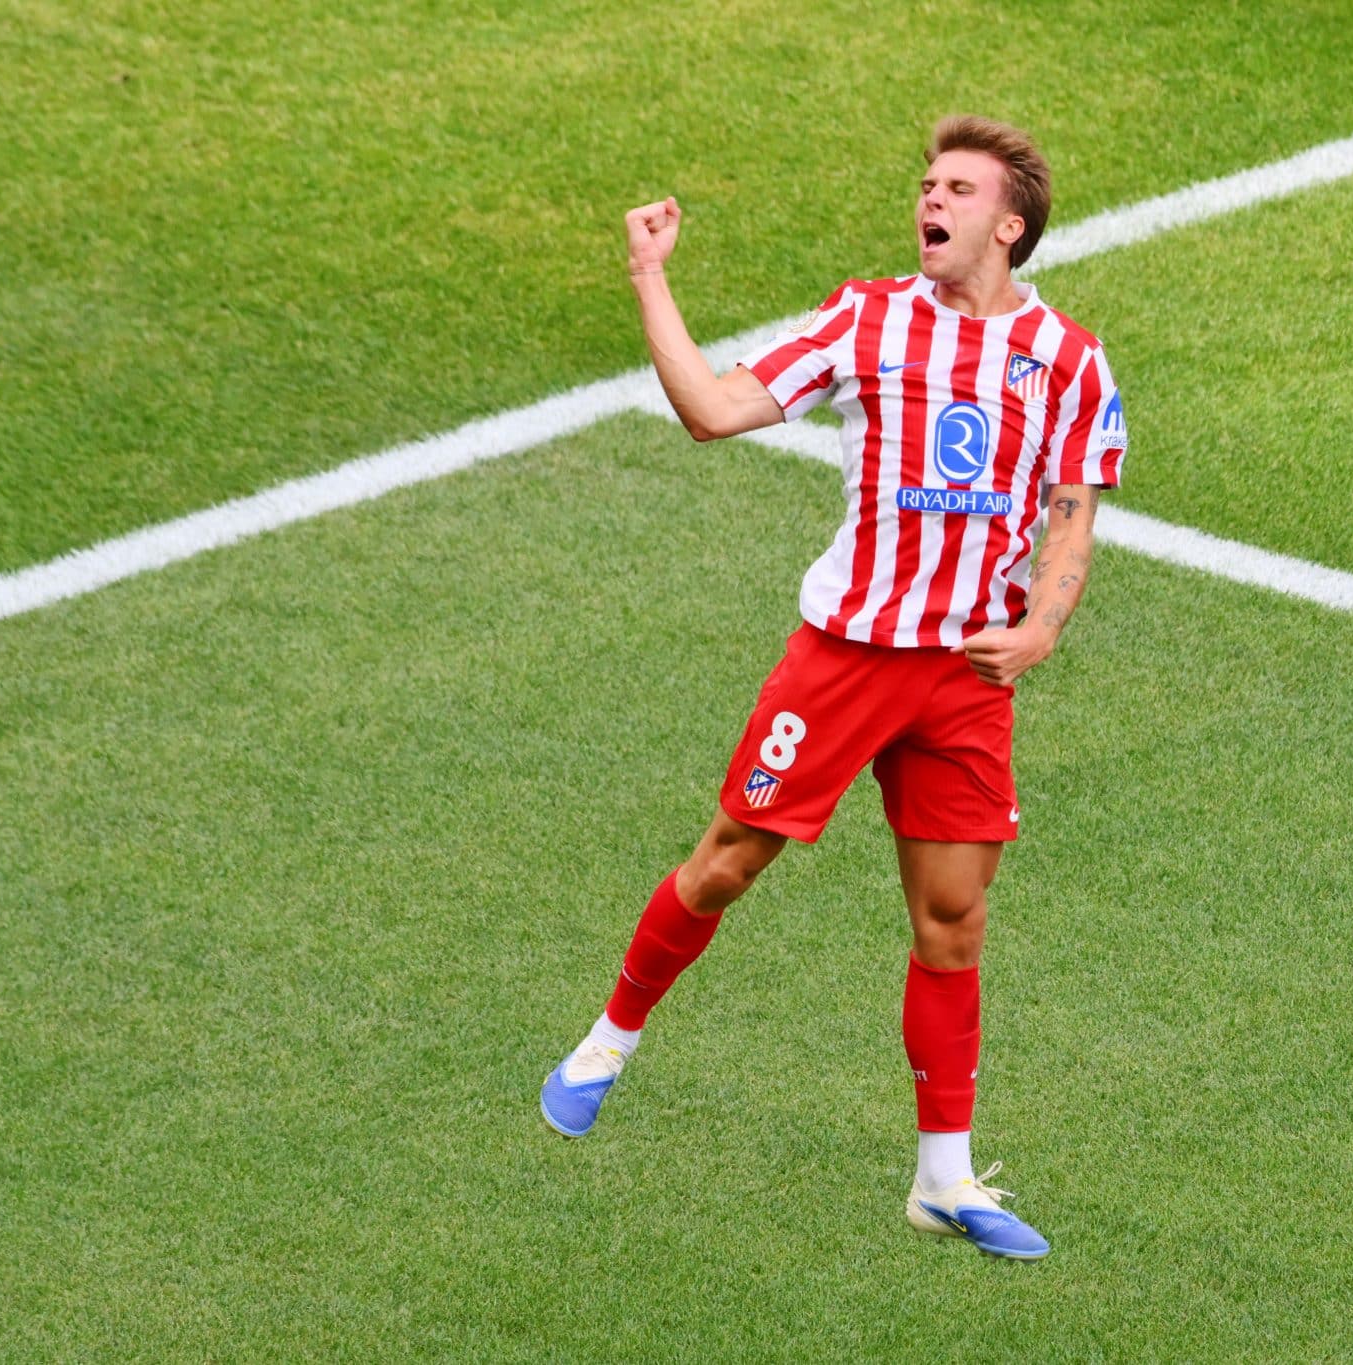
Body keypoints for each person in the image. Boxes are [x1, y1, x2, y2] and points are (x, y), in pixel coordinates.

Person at [540, 114, 1127, 1261]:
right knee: (726, 863)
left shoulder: (1068, 359)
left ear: (1007, 226)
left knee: (953, 924)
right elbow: (710, 411)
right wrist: (648, 276)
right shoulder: (867, 320)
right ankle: (607, 1040)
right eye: (925, 182)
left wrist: (1042, 630)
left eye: (957, 187)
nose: (931, 198)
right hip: (847, 656)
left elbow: (1072, 511)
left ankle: (942, 1179)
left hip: (963, 677)